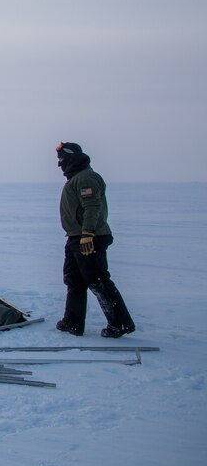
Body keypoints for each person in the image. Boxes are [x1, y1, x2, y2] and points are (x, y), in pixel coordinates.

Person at [55, 142, 135, 338]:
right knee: (74, 280)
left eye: (62, 159)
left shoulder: (86, 178)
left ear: (72, 158)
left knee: (97, 280)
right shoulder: (76, 178)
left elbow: (92, 207)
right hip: (76, 237)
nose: (60, 164)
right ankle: (72, 322)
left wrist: (87, 233)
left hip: (89, 238)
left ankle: (120, 323)